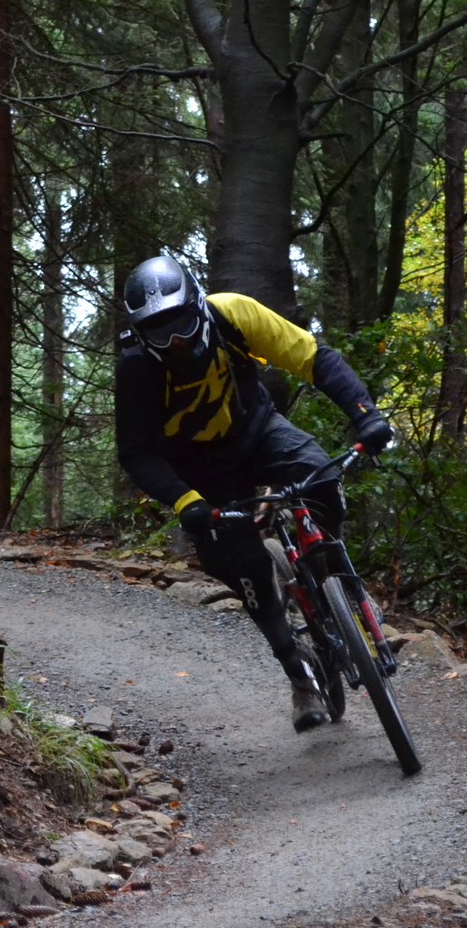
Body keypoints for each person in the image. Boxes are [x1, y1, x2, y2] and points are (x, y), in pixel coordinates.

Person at [114, 254, 393, 732]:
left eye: (181, 325)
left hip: (259, 431)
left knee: (322, 479)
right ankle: (301, 678)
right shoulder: (137, 369)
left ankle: (336, 581)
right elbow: (136, 453)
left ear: (199, 306)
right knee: (243, 569)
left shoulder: (234, 314)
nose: (176, 342)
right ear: (141, 335)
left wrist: (365, 414)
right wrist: (185, 501)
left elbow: (313, 357)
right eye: (160, 334)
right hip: (200, 470)